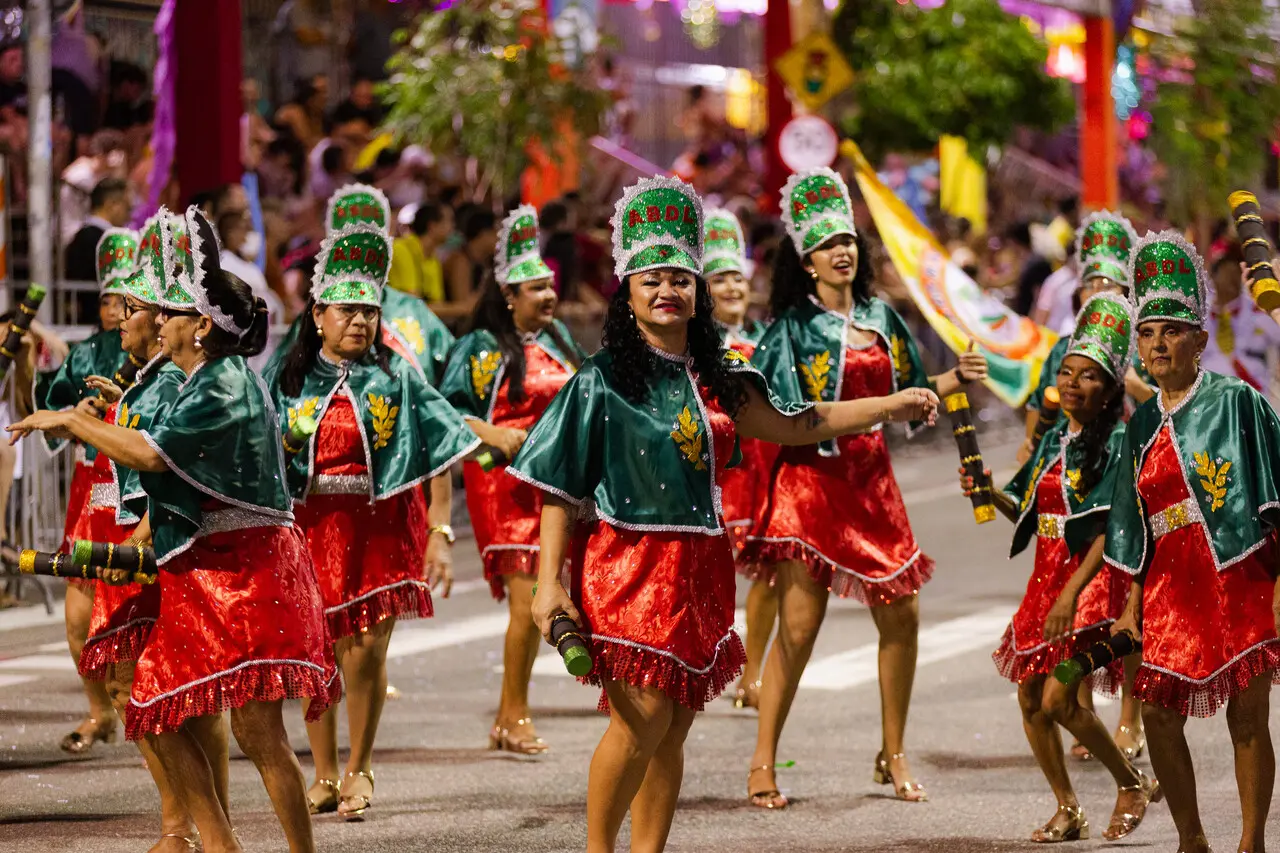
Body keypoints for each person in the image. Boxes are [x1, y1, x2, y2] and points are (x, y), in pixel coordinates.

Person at [512, 176, 940, 853]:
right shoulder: (601, 381)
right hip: (627, 566)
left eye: (681, 278)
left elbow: (805, 422)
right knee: (638, 721)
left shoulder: (721, 377)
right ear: (626, 290)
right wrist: (548, 585)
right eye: (652, 278)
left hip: (702, 567)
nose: (667, 291)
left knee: (674, 724)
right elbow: (557, 483)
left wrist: (892, 403)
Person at [11, 206, 339, 853]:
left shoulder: (223, 385)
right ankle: (216, 843)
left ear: (200, 325)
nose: (158, 320)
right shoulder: (196, 378)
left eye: (170, 312)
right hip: (205, 563)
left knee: (257, 729)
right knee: (155, 707)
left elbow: (150, 455)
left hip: (250, 568)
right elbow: (157, 458)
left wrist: (72, 423)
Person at [738, 167, 988, 808]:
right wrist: (891, 405)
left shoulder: (880, 315)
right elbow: (781, 415)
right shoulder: (789, 328)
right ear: (806, 258)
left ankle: (893, 752)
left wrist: (953, 378)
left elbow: (912, 388)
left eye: (848, 239)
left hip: (872, 483)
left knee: (902, 615)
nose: (842, 251)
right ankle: (762, 761)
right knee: (799, 627)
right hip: (812, 484)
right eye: (826, 245)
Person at [267, 224, 477, 820]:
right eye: (346, 309)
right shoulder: (286, 381)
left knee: (364, 654)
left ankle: (359, 767)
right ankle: (324, 772)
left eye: (368, 310)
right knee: (317, 651)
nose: (359, 320)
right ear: (317, 315)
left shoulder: (398, 376)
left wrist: (439, 531)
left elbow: (446, 446)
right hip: (310, 531)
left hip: (380, 529)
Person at [963, 293, 1161, 842]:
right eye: (1068, 372)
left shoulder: (1122, 441)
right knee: (1030, 699)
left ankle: (1130, 782)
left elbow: (1108, 529)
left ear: (1111, 388)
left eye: (1089, 376)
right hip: (1045, 582)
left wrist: (1072, 594)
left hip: (1092, 585)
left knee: (1061, 696)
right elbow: (1025, 505)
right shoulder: (1055, 438)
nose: (1073, 383)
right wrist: (985, 492)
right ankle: (1068, 807)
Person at [1106, 231, 1280, 853]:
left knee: (1246, 716)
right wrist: (1130, 604)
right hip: (1170, 587)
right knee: (1156, 712)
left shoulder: (1238, 402)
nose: (1157, 343)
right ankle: (1192, 839)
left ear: (1199, 341)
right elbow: (1131, 524)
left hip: (1237, 575)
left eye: (1172, 331)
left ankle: (1252, 842)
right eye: (1147, 332)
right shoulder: (1141, 424)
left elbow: (1276, 496)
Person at [74, 214, 199, 852]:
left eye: (133, 307)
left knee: (149, 692)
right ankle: (189, 826)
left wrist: (75, 423)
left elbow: (163, 467)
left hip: (150, 554)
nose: (119, 316)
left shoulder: (173, 383)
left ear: (161, 318)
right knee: (147, 692)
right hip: (131, 549)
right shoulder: (151, 380)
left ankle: (185, 828)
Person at [439, 206, 583, 754]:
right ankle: (515, 714)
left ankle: (506, 716)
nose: (547, 296)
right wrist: (497, 436)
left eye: (549, 285)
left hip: (555, 485)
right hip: (505, 487)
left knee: (545, 604)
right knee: (528, 605)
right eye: (534, 287)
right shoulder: (480, 347)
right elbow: (448, 411)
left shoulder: (561, 338)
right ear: (507, 295)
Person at [36, 225, 134, 755]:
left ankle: (151, 713)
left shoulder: (157, 359)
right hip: (88, 491)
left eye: (125, 300)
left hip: (135, 497)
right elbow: (53, 419)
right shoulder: (85, 355)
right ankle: (100, 712)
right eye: (108, 299)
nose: (114, 309)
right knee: (78, 619)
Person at [1201, 241, 1280, 399]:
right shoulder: (1200, 313)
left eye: (1235, 272)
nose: (1232, 279)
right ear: (1214, 277)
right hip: (1210, 397)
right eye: (1226, 272)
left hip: (1253, 395)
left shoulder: (1260, 309)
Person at [65, 176, 131, 321]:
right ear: (111, 204)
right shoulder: (103, 240)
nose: (129, 214)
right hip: (98, 319)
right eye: (127, 206)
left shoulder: (82, 236)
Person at [388, 201, 453, 305]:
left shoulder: (433, 259)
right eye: (449, 221)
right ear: (433, 226)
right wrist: (463, 308)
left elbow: (437, 302)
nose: (453, 227)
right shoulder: (401, 249)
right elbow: (412, 304)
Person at [443, 207, 498, 305]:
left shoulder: (483, 261)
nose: (500, 237)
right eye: (496, 232)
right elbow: (463, 304)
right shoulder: (460, 261)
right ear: (483, 234)